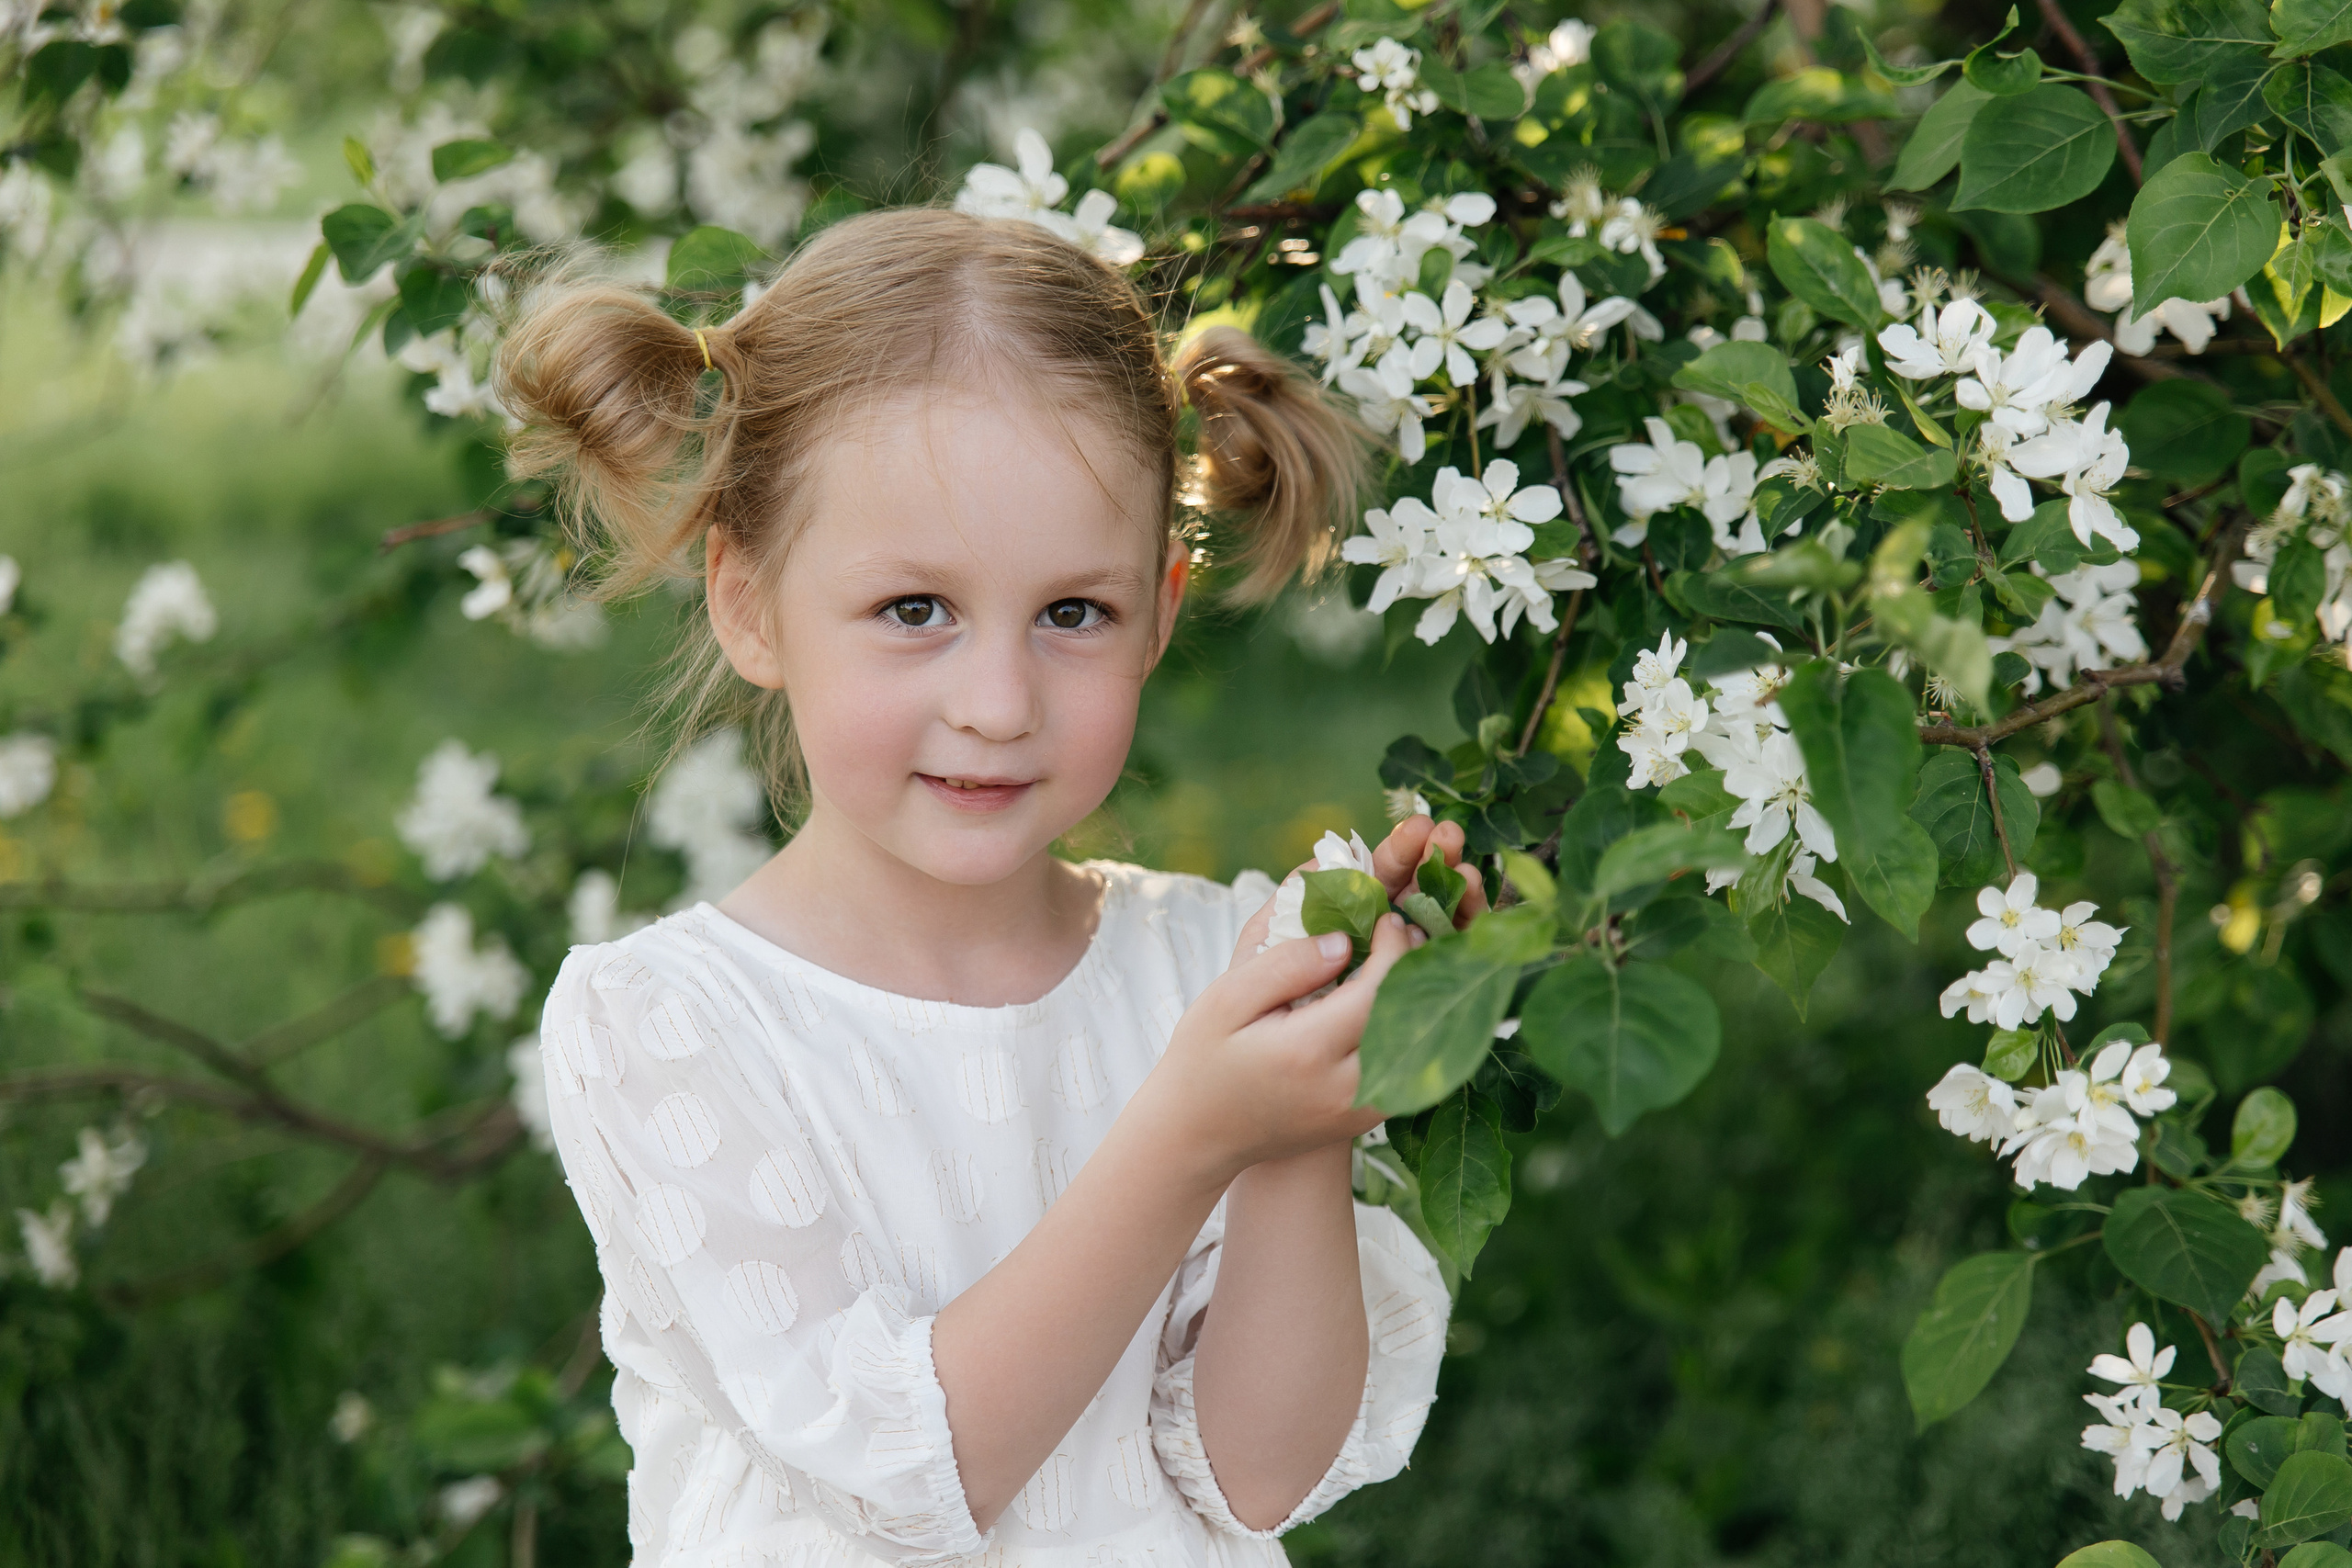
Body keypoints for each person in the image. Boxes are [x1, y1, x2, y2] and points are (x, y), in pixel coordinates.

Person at [500, 205, 1485, 1568]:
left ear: (1160, 608)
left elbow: (1258, 1475)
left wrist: (1305, 1125)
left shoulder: (1212, 969)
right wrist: (1197, 1129)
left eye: (1073, 613)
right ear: (749, 603)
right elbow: (906, 1479)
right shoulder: (668, 1024)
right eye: (916, 611)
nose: (999, 703)